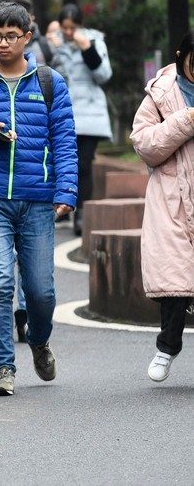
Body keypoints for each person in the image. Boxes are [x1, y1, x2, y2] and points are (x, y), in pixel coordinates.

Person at [0, 2, 78, 397]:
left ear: (27, 37)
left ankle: (39, 340)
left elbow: (64, 140)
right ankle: (2, 367)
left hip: (38, 199)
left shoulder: (49, 82)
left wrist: (67, 189)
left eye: (11, 36)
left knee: (40, 291)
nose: (3, 43)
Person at [130, 29, 194, 382]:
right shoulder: (159, 94)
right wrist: (186, 121)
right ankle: (167, 347)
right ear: (180, 57)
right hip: (172, 199)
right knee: (175, 280)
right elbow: (145, 145)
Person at [57, 3, 113, 236]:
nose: (69, 32)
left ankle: (82, 214)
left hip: (90, 115)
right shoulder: (55, 44)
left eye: (73, 27)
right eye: (65, 27)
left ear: (81, 25)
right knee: (63, 162)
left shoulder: (95, 42)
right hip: (64, 112)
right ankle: (63, 207)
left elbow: (104, 75)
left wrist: (87, 49)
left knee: (83, 165)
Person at [16, 0, 66, 79]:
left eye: (26, 19)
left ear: (32, 18)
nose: (22, 24)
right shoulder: (4, 46)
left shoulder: (46, 45)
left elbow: (61, 76)